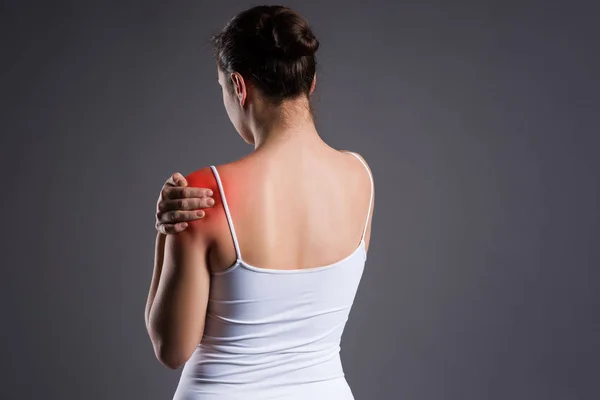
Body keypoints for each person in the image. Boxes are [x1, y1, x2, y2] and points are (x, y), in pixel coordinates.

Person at [145, 5, 375, 399]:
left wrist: (164, 233)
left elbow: (171, 347)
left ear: (238, 86)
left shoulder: (203, 192)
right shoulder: (360, 176)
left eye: (222, 89)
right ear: (311, 82)